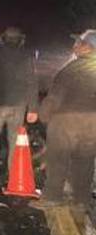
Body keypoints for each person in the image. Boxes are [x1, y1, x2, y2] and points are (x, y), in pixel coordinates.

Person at [37, 30, 96, 213]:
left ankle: (52, 197)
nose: (75, 46)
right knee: (85, 161)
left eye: (79, 43)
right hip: (92, 123)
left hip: (66, 121)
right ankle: (81, 200)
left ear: (88, 47)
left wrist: (43, 116)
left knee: (58, 158)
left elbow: (55, 97)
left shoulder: (71, 69)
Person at [0, 27, 39, 185]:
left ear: (3, 38)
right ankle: (14, 176)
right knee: (15, 141)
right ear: (20, 40)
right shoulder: (27, 56)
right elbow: (32, 82)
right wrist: (33, 109)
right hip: (18, 105)